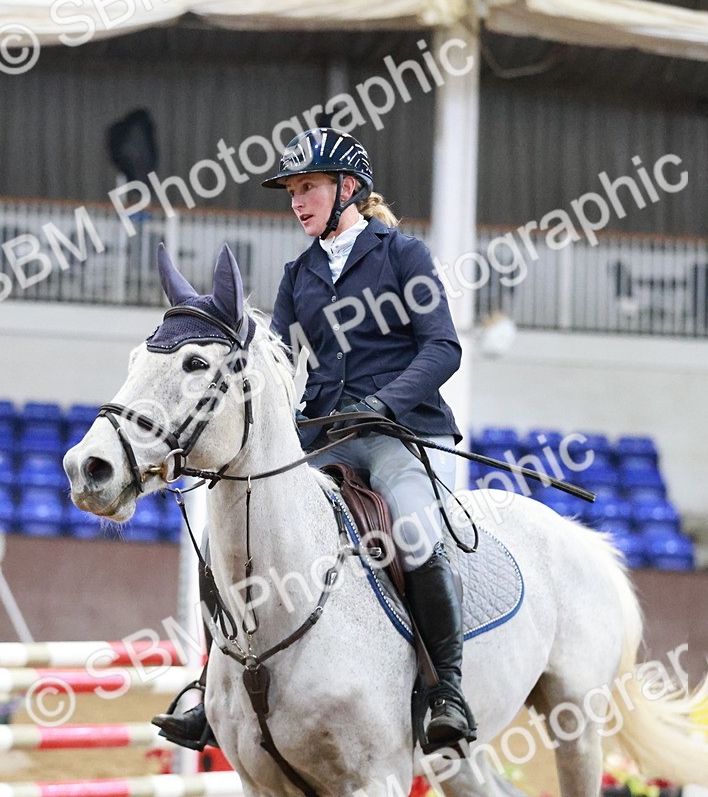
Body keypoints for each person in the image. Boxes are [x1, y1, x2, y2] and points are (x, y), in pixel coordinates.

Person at [153, 128, 472, 751]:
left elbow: (444, 348)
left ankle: (446, 691)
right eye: (292, 191)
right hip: (320, 435)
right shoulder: (298, 273)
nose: (297, 201)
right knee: (235, 526)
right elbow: (275, 358)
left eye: (309, 187)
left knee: (413, 526)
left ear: (348, 188)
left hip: (391, 431)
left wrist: (383, 403)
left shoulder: (404, 254)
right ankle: (208, 686)